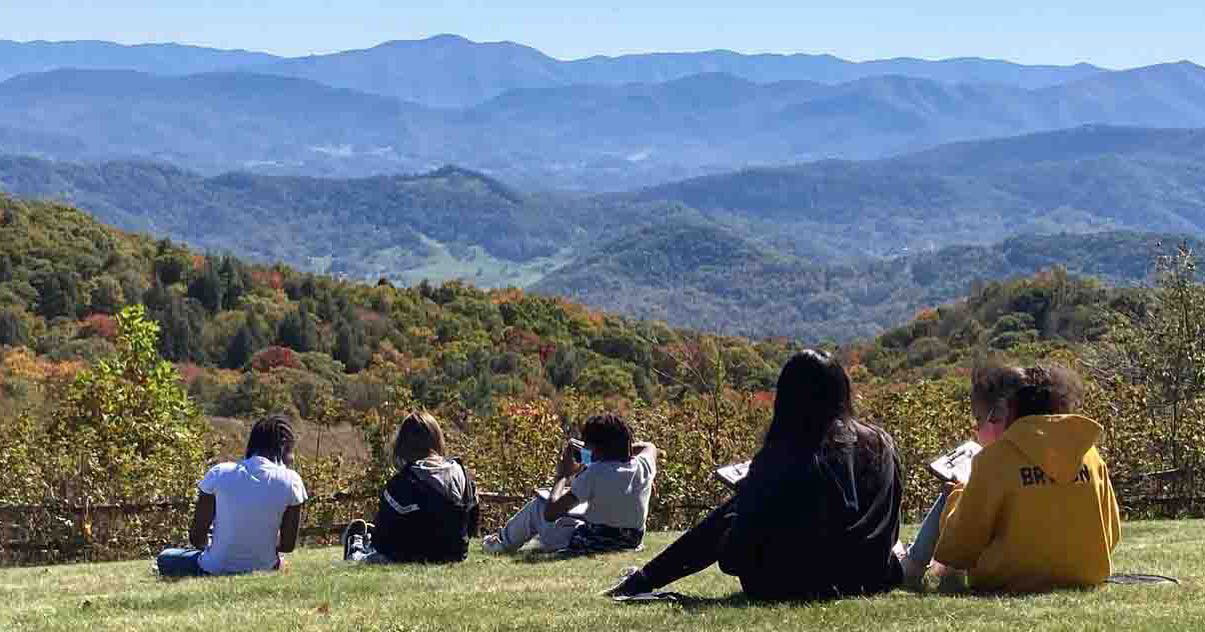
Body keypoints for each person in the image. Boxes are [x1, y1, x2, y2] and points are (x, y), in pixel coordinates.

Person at [606, 350, 904, 601]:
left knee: (732, 514)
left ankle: (644, 580)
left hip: (802, 584)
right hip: (875, 576)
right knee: (743, 507)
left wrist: (752, 497)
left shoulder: (789, 454)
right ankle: (645, 578)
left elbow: (737, 548)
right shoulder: (882, 444)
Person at [900, 362, 1121, 593]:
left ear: (1004, 411)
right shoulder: (1089, 453)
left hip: (1009, 579)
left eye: (981, 419)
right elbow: (1112, 533)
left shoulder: (993, 460)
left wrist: (957, 494)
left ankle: (910, 565)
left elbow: (958, 549)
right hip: (1085, 575)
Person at [482, 413, 658, 556]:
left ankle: (501, 543)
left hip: (594, 543)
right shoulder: (643, 465)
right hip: (630, 541)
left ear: (596, 449)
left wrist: (563, 475)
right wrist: (606, 450)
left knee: (538, 507)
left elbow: (551, 513)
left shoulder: (595, 473)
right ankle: (526, 542)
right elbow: (648, 446)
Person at [156, 413, 308, 577]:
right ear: (284, 446)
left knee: (166, 556)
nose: (292, 459)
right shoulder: (292, 481)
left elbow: (196, 537)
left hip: (213, 567)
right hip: (265, 566)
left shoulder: (219, 473)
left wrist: (213, 547)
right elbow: (287, 545)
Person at [341, 411, 480, 563]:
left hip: (409, 555)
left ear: (403, 444)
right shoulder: (464, 476)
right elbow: (472, 527)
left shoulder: (402, 483)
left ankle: (355, 549)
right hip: (455, 555)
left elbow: (382, 541)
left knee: (365, 555)